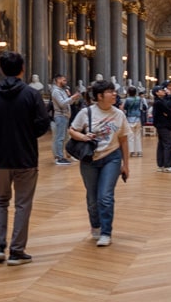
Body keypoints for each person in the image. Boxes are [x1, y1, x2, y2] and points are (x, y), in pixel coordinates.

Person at [0, 51, 51, 266]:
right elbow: (43, 123)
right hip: (26, 156)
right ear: (22, 69)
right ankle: (17, 251)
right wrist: (28, 135)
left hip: (0, 157)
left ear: (1, 70)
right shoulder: (31, 94)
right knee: (22, 204)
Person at [67, 78, 130, 247]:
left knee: (106, 197)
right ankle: (95, 225)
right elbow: (72, 130)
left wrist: (126, 165)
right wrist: (83, 136)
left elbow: (123, 140)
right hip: (90, 159)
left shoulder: (119, 114)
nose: (114, 94)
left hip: (112, 157)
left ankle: (106, 232)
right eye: (110, 92)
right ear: (100, 96)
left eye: (114, 91)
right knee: (92, 198)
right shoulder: (86, 113)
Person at [150, 82, 171, 173]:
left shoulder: (159, 101)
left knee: (162, 145)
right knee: (167, 144)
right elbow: (168, 111)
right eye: (161, 90)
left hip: (161, 125)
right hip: (164, 125)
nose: (164, 91)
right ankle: (167, 165)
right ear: (157, 93)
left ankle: (161, 164)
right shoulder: (159, 102)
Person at [49, 72, 74, 165]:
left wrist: (72, 98)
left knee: (63, 138)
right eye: (64, 80)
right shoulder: (56, 91)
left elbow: (68, 103)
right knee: (59, 138)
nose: (65, 81)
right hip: (60, 116)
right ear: (58, 80)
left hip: (65, 116)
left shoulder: (62, 90)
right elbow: (62, 103)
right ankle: (59, 157)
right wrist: (71, 97)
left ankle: (62, 156)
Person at [122, 86, 145, 157]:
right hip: (138, 118)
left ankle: (131, 151)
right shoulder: (139, 99)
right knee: (138, 136)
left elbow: (125, 107)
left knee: (130, 136)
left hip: (130, 118)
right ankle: (139, 151)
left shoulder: (128, 99)